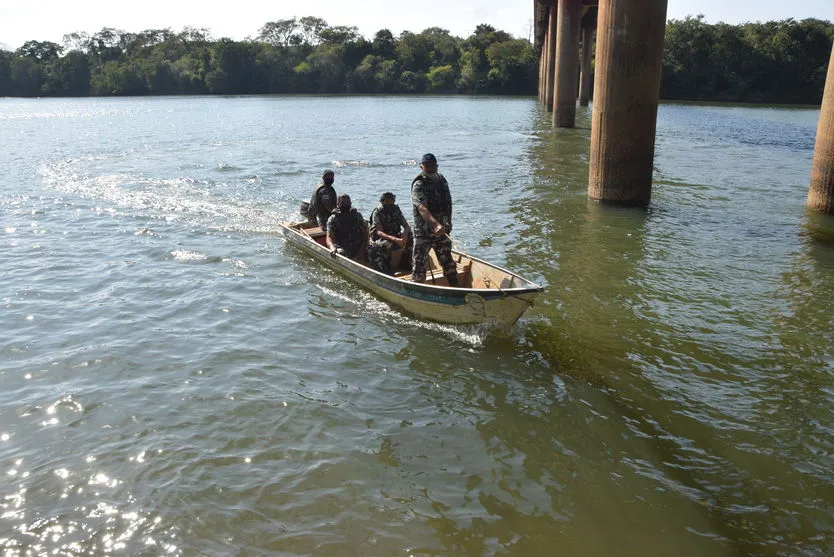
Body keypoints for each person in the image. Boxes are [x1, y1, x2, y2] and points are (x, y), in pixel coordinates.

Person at [411, 153, 458, 286]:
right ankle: (417, 291)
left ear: (437, 165)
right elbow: (421, 208)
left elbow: (448, 203)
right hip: (423, 232)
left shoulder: (441, 180)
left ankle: (455, 288)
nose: (430, 167)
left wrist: (448, 221)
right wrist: (435, 224)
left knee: (448, 262)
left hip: (441, 231)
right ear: (421, 166)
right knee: (419, 267)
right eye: (427, 165)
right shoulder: (419, 184)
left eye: (432, 164)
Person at [367, 192, 412, 274]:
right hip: (381, 238)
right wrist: (395, 239)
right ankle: (386, 268)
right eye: (387, 201)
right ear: (382, 201)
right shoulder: (377, 212)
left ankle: (405, 262)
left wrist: (404, 236)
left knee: (412, 236)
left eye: (391, 201)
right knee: (386, 244)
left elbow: (406, 226)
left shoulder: (395, 209)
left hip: (395, 235)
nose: (389, 203)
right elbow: (379, 232)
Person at [326, 194, 368, 260]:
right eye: (342, 203)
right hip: (342, 247)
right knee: (339, 253)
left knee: (374, 251)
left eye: (347, 202)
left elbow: (365, 233)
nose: (345, 204)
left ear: (350, 203)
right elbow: (329, 237)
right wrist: (332, 247)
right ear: (338, 204)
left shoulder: (357, 216)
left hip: (358, 246)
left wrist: (362, 250)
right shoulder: (333, 218)